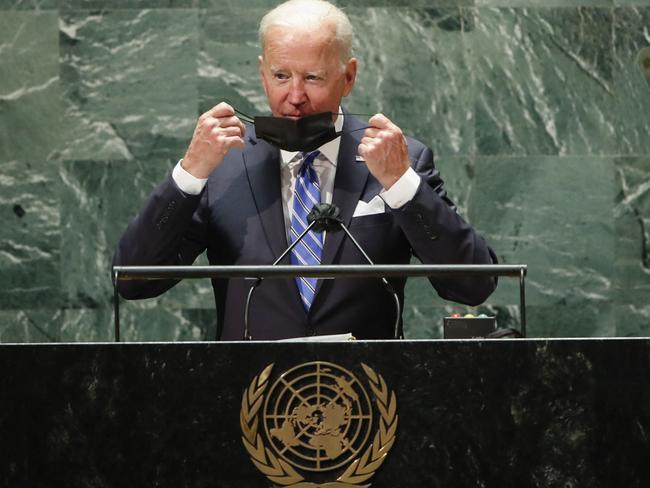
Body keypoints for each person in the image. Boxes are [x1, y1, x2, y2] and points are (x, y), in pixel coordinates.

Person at [114, 0, 497, 340]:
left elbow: (473, 285)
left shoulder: (401, 160)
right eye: (281, 76)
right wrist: (189, 175)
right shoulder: (221, 166)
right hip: (251, 399)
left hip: (368, 404)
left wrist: (403, 186)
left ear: (348, 77)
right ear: (263, 72)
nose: (295, 97)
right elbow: (135, 281)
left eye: (313, 78)